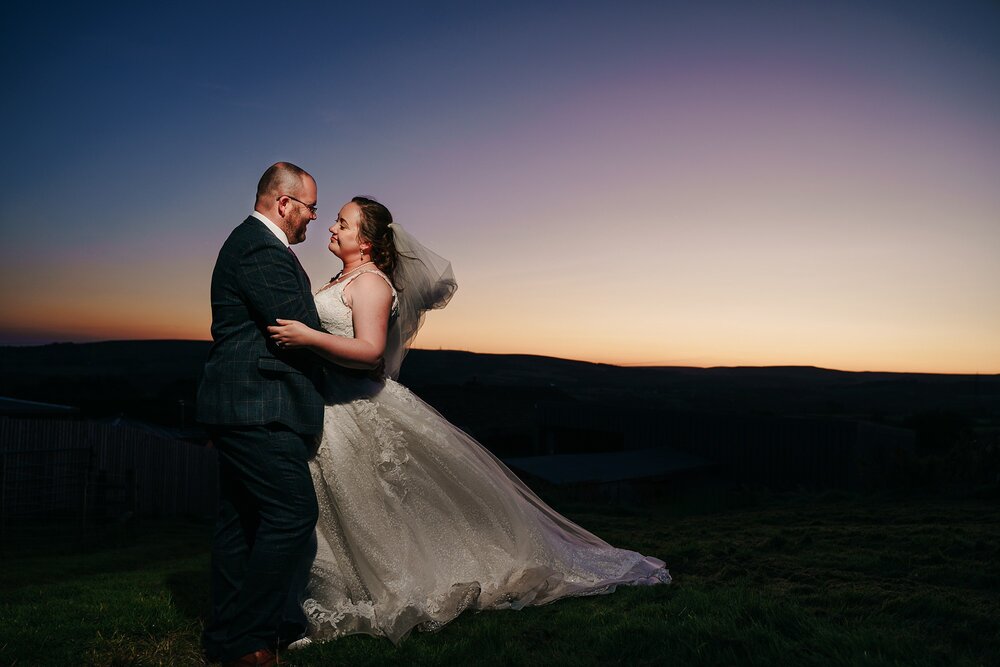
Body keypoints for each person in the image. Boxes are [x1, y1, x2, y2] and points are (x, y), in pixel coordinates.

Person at [268, 196, 671, 646]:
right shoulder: (345, 277)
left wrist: (307, 338)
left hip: (356, 406)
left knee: (372, 503)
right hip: (331, 406)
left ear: (365, 240)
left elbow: (370, 352)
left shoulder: (371, 285)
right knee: (347, 505)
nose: (332, 228)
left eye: (342, 223)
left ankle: (386, 587)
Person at [196, 162, 326, 666]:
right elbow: (297, 324)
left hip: (245, 403)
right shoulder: (257, 245)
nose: (314, 217)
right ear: (284, 203)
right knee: (293, 513)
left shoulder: (260, 245)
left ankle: (227, 638)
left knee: (239, 521)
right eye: (311, 206)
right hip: (258, 403)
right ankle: (249, 639)